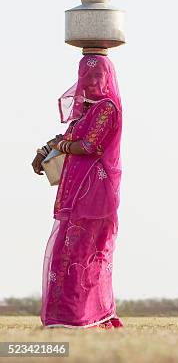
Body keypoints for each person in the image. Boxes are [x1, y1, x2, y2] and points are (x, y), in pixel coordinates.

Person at [32, 54, 123, 329]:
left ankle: (83, 316)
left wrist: (61, 147)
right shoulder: (85, 111)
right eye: (86, 76)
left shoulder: (107, 108)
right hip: (75, 193)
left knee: (85, 253)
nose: (92, 81)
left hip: (95, 195)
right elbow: (68, 139)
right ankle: (64, 316)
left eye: (97, 76)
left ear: (107, 78)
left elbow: (88, 146)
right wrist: (45, 151)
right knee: (65, 251)